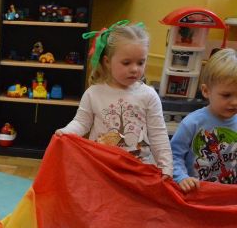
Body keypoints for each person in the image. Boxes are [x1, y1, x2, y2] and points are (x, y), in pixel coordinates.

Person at [55, 20, 173, 177]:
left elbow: (158, 134)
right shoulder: (93, 93)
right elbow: (81, 123)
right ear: (107, 62)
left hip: (137, 170)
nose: (134, 69)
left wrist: (166, 167)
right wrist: (66, 132)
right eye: (126, 63)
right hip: (101, 168)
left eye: (141, 62)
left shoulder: (149, 96)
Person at [171, 48, 237, 192]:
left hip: (228, 194)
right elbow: (173, 155)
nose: (234, 102)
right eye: (226, 95)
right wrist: (181, 177)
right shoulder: (191, 123)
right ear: (206, 91)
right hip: (196, 193)